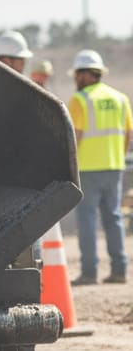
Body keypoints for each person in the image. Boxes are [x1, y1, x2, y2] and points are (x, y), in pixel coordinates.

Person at [67, 49, 133, 285]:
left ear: (85, 74)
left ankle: (89, 272)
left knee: (87, 221)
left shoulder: (80, 100)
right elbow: (128, 134)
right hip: (114, 167)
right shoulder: (120, 98)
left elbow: (77, 136)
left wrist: (69, 166)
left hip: (87, 169)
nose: (76, 80)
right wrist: (118, 157)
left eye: (77, 75)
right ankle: (119, 270)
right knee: (114, 218)